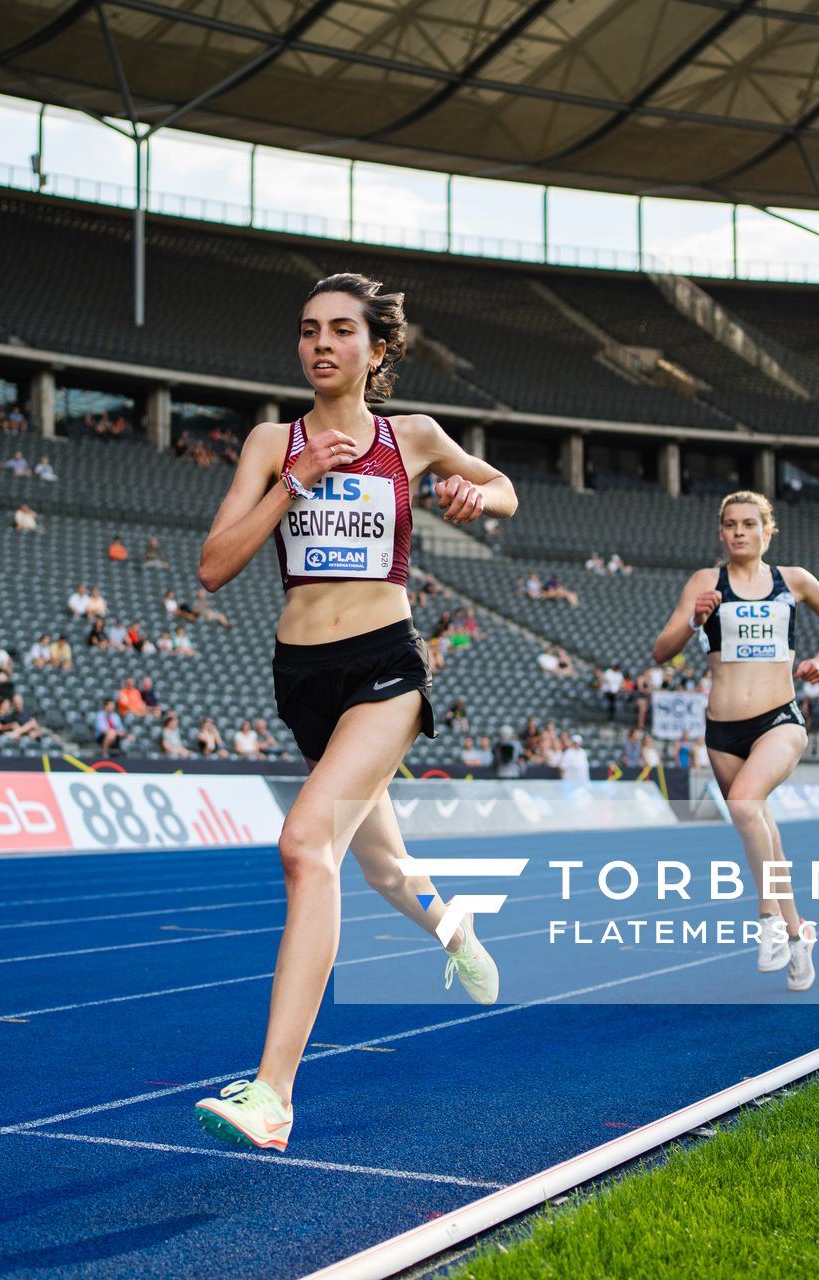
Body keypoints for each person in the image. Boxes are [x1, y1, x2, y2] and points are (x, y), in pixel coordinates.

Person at [190, 272, 517, 1152]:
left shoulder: (411, 436)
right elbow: (215, 566)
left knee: (307, 849)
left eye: (341, 330)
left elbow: (505, 488)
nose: (320, 343)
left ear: (377, 352)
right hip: (303, 677)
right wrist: (292, 483)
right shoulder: (272, 441)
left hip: (386, 668)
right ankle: (455, 930)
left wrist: (474, 495)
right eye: (308, 329)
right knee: (379, 865)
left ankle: (273, 1095)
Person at [653, 490, 819, 994]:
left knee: (743, 805)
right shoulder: (705, 582)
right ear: (720, 533)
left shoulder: (795, 581)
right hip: (722, 731)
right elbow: (661, 651)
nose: (739, 532)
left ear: (768, 531)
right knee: (764, 829)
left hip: (779, 719)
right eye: (729, 524)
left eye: (748, 523)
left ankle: (766, 921)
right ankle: (798, 934)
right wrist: (695, 618)